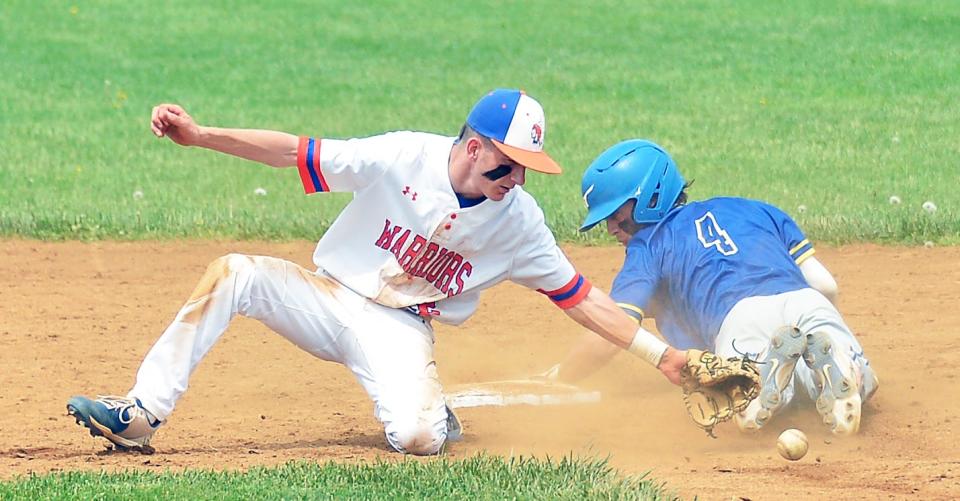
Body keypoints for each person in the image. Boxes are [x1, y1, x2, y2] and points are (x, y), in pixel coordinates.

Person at [67, 90, 691, 455]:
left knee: (418, 438)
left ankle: (437, 415)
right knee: (236, 272)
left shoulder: (519, 222)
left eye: (527, 167)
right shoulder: (403, 156)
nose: (519, 179)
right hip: (327, 299)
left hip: (400, 328)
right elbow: (294, 150)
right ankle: (141, 413)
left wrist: (663, 358)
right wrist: (201, 135)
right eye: (509, 164)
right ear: (473, 148)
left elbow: (582, 299)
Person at [543, 139, 879, 435]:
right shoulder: (755, 208)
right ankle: (834, 359)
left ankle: (760, 378)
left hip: (738, 320)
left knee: (749, 409)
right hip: (806, 300)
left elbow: (613, 326)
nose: (611, 228)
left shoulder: (648, 245)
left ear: (650, 195)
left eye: (617, 215)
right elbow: (824, 284)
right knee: (859, 380)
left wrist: (562, 376)